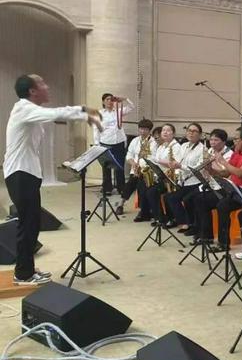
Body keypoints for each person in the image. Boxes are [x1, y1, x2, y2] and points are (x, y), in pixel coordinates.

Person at [4, 74, 101, 285]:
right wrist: (84, 111)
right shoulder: (24, 108)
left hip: (26, 173)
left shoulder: (30, 111)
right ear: (32, 91)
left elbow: (52, 116)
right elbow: (55, 113)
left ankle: (26, 270)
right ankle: (23, 275)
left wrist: (74, 115)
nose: (47, 86)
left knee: (32, 223)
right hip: (20, 174)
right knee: (27, 224)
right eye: (42, 83)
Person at [195, 128, 242, 252]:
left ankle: (224, 243)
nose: (234, 141)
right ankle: (207, 236)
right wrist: (210, 169)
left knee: (223, 205)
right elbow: (226, 173)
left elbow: (240, 173)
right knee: (204, 200)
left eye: (236, 139)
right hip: (234, 189)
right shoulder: (238, 153)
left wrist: (222, 161)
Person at [164, 123, 206, 231]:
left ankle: (188, 223)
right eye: (189, 130)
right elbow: (177, 161)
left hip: (195, 182)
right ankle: (181, 220)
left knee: (183, 199)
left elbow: (198, 168)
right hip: (182, 181)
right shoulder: (184, 146)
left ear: (200, 135)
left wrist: (180, 166)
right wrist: (173, 168)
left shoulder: (202, 149)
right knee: (169, 196)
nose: (191, 133)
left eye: (194, 131)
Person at [94, 93, 133, 196]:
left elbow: (131, 107)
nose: (109, 102)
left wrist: (125, 98)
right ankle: (107, 187)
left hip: (119, 142)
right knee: (106, 167)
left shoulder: (118, 111)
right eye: (107, 99)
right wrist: (96, 143)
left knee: (119, 166)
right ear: (103, 102)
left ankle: (121, 187)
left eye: (111, 99)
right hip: (105, 142)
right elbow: (96, 129)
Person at [119, 118, 157, 220]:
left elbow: (151, 159)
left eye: (145, 129)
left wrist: (140, 169)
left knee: (141, 187)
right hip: (135, 169)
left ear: (149, 131)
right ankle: (121, 204)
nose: (142, 131)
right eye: (141, 129)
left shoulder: (153, 143)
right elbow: (129, 154)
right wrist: (133, 163)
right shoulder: (135, 140)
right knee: (129, 184)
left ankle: (143, 210)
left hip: (146, 171)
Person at [145, 124, 181, 226]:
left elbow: (175, 163)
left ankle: (172, 219)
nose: (165, 132)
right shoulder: (161, 146)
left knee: (159, 193)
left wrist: (157, 161)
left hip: (172, 178)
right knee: (150, 191)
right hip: (162, 176)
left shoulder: (176, 146)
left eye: (168, 130)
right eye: (163, 130)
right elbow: (156, 161)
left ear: (173, 133)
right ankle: (160, 217)